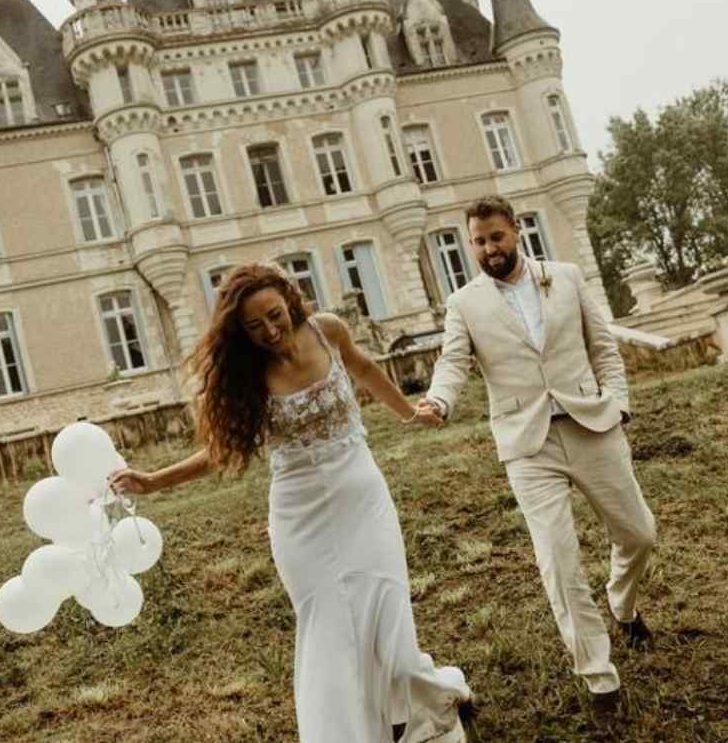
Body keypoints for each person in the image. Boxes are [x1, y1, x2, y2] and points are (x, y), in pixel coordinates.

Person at [110, 262, 474, 743]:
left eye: (274, 315)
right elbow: (222, 451)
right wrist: (154, 481)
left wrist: (410, 413)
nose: (269, 330)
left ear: (290, 299)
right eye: (253, 325)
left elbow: (365, 368)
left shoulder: (328, 331)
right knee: (328, 628)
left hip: (362, 499)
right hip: (300, 517)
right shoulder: (247, 376)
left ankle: (418, 701)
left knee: (386, 613)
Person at [416, 196, 656, 716]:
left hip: (592, 423)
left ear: (517, 231)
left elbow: (604, 348)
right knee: (558, 560)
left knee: (639, 533)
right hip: (527, 444)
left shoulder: (565, 278)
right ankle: (599, 676)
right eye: (478, 242)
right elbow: (452, 362)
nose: (488, 249)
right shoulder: (464, 303)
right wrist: (439, 400)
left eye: (496, 237)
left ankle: (622, 601)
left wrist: (618, 404)